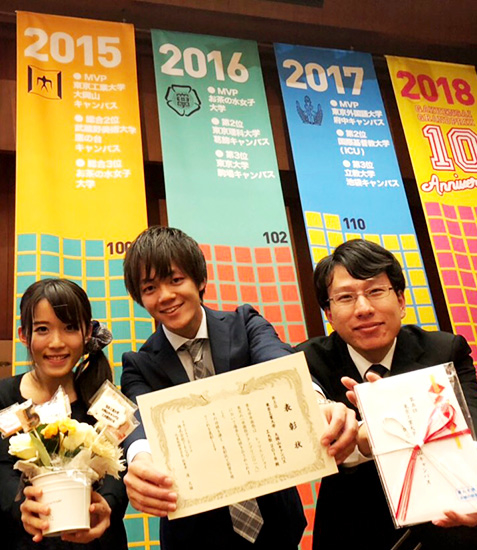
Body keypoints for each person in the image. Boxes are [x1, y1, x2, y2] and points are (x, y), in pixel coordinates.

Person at [120, 225, 358, 550]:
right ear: (139, 297)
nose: (165, 296)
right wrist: (139, 461)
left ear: (199, 279)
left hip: (278, 526)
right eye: (150, 288)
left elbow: (278, 364)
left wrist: (316, 406)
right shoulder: (139, 363)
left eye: (176, 280)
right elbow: (137, 424)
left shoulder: (245, 324)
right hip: (193, 538)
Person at [296, 238, 477, 550]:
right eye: (345, 297)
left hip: (448, 525)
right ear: (328, 313)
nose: (364, 308)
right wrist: (359, 441)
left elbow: (472, 429)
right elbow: (307, 447)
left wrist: (375, 433)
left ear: (402, 301)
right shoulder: (309, 361)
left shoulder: (445, 351)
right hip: (352, 529)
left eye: (376, 291)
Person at [0, 278, 129, 550]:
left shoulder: (105, 402)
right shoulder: (3, 398)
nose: (56, 342)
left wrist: (105, 503)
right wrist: (21, 503)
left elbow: (123, 466)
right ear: (24, 335)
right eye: (43, 329)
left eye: (70, 328)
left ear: (87, 332)